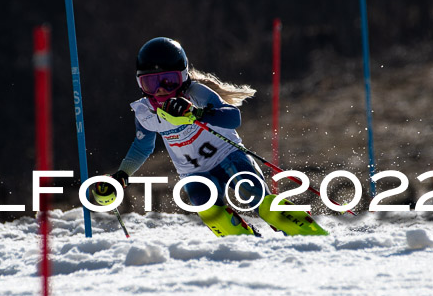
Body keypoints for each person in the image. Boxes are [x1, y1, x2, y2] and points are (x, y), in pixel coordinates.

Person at [92, 37, 327, 237]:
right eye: (150, 83)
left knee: (254, 195)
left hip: (228, 157)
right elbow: (142, 147)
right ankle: (249, 250)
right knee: (211, 212)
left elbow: (233, 118)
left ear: (183, 78)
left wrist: (197, 113)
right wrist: (122, 174)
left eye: (168, 81)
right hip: (194, 173)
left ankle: (310, 235)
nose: (160, 91)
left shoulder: (198, 94)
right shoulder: (144, 112)